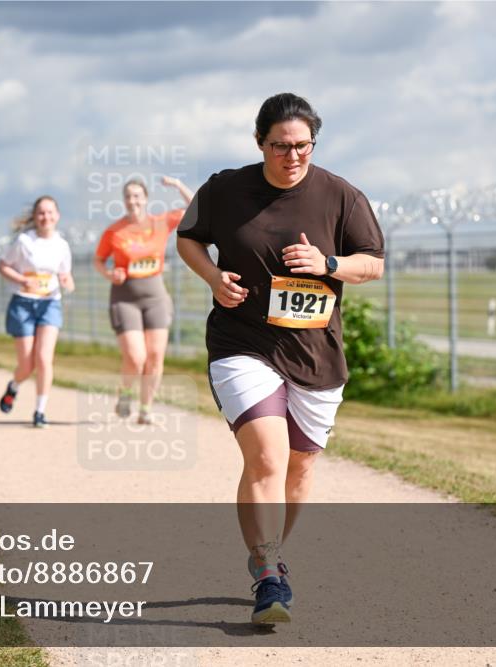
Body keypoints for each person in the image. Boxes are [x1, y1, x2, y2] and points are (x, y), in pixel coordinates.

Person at [176, 93, 385, 625]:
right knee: (267, 457)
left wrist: (328, 262)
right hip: (241, 342)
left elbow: (374, 265)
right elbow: (188, 239)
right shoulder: (223, 189)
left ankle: (267, 553)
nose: (292, 156)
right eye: (280, 146)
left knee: (299, 465)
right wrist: (212, 277)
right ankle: (269, 575)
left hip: (315, 353)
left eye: (303, 146)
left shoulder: (343, 196)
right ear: (259, 142)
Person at [93, 176, 193, 424]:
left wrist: (179, 186)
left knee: (156, 356)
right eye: (128, 196)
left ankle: (146, 409)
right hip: (124, 298)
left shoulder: (161, 222)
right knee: (136, 358)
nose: (132, 201)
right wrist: (109, 273)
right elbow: (98, 260)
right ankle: (126, 393)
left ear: (146, 199)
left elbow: (195, 209)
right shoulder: (114, 231)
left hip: (156, 296)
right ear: (123, 201)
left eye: (137, 196)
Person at [0, 196, 75, 428]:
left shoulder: (62, 245)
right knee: (27, 365)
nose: (45, 217)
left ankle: (39, 411)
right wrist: (21, 279)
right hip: (23, 303)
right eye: (41, 213)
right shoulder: (23, 241)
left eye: (50, 212)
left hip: (50, 303)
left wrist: (66, 281)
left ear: (57, 216)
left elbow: (67, 278)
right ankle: (14, 386)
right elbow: (3, 265)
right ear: (34, 216)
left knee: (44, 358)